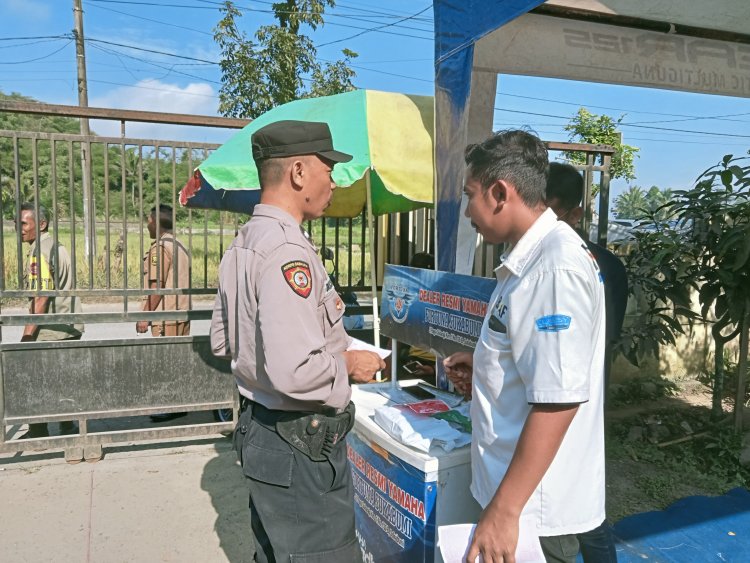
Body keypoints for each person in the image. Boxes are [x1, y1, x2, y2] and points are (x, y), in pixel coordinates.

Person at [209, 120, 384, 563]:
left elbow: (221, 341)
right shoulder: (288, 251)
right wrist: (347, 364)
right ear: (300, 172)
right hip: (299, 443)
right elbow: (295, 370)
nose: (334, 181)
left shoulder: (244, 242)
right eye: (329, 169)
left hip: (261, 429)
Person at [443, 130, 612, 562]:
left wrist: (505, 510)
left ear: (500, 193)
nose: (466, 211)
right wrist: (485, 365)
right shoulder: (531, 258)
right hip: (516, 494)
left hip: (532, 509)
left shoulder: (553, 268)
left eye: (470, 195)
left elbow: (558, 400)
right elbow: (535, 359)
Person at [546, 162, 623, 562]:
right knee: (572, 500)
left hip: (577, 398)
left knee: (581, 504)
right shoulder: (534, 260)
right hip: (557, 400)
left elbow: (597, 340)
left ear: (575, 214)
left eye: (552, 211)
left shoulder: (586, 265)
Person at [546, 162, 628, 393]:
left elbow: (604, 338)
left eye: (547, 217)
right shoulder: (520, 262)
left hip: (576, 390)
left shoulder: (606, 267)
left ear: (575, 215)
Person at [17, 202, 84, 439]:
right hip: (69, 323)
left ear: (41, 224)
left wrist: (27, 335)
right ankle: (68, 426)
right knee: (63, 379)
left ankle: (38, 429)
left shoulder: (40, 253)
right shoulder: (56, 246)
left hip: (51, 328)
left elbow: (41, 298)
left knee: (37, 379)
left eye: (24, 223)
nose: (19, 228)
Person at [136, 204, 191, 422]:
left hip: (165, 315)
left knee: (165, 362)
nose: (147, 224)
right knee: (177, 362)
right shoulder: (179, 245)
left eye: (148, 220)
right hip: (181, 312)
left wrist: (146, 316)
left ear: (156, 222)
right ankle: (179, 404)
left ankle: (170, 406)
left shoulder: (160, 249)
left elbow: (156, 285)